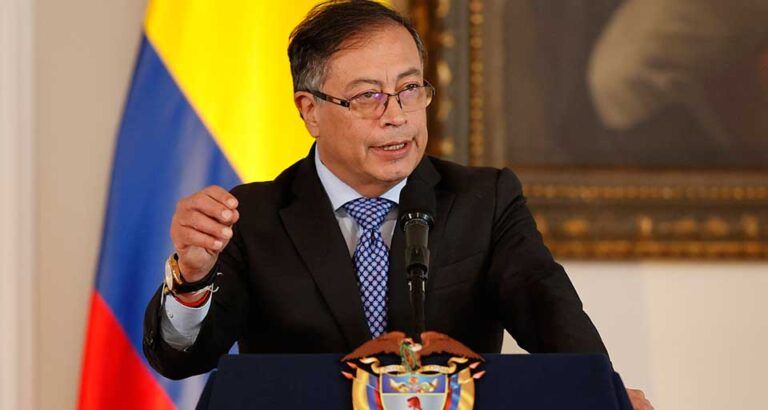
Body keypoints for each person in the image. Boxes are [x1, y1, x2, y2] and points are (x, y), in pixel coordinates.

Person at [143, 1, 652, 408]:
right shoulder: (252, 216)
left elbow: (553, 318)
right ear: (310, 110)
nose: (397, 116)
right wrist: (192, 280)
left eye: (409, 89)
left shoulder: (485, 201)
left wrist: (603, 393)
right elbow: (181, 359)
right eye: (368, 96)